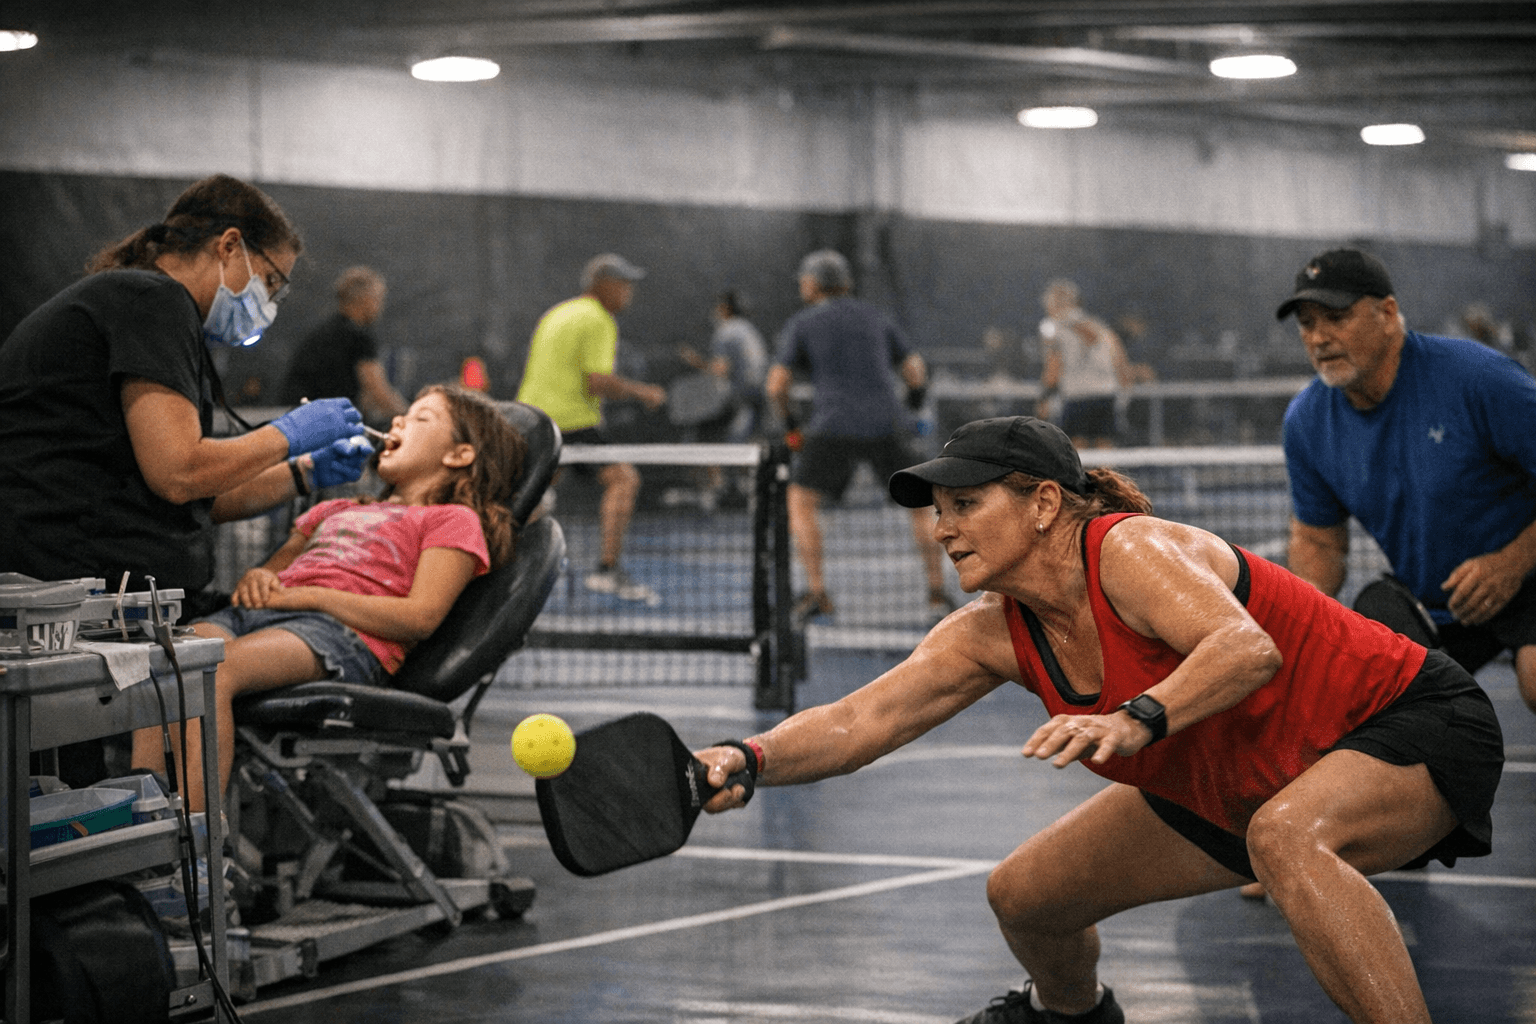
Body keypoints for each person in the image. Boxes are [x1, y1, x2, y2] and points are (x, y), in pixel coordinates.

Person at [694, 415, 1503, 1024]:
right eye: (940, 510)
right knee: (1026, 895)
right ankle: (1072, 1018)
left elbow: (1245, 649)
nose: (944, 529)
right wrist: (748, 756)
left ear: (1045, 502)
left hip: (1407, 721)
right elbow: (856, 722)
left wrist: (1140, 717)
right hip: (1242, 781)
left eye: (967, 504)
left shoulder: (1129, 550)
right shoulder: (989, 631)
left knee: (1286, 836)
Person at [131, 384, 527, 810]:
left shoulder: (452, 519)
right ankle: (141, 825)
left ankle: (194, 854)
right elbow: (271, 573)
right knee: (164, 662)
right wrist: (260, 580)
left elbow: (420, 617)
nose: (397, 422)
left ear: (459, 455)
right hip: (267, 618)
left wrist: (313, 598)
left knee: (210, 672)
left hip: (342, 637)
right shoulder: (333, 510)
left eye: (420, 418)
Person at [0, 173, 370, 614]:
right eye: (270, 282)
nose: (268, 305)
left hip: (93, 582)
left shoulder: (144, 307)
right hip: (78, 592)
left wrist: (303, 472)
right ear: (229, 245)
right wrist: (290, 432)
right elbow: (179, 474)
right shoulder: (152, 301)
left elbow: (199, 495)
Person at [1279, 248, 1536, 716]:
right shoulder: (1306, 422)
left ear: (1388, 314)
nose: (1319, 338)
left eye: (1336, 318)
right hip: (1432, 601)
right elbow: (1318, 540)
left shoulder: (1479, 378)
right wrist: (1303, 626)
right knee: (1358, 710)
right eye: (1307, 323)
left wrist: (1513, 562)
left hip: (1530, 572)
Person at [766, 249, 951, 623]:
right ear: (845, 284)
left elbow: (775, 386)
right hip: (889, 424)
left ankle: (817, 592)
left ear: (814, 284)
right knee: (921, 506)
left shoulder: (802, 322)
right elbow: (915, 369)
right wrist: (913, 404)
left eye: (804, 279)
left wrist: (790, 427)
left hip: (831, 426)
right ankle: (936, 594)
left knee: (800, 502)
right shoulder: (876, 317)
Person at [516, 253, 666, 604]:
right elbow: (597, 382)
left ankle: (503, 568)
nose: (629, 292)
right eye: (623, 284)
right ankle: (607, 570)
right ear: (604, 286)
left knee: (533, 494)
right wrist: (644, 392)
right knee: (624, 479)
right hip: (570, 421)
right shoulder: (599, 320)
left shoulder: (559, 312)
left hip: (532, 418)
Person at [281, 266, 408, 422]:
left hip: (297, 417)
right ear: (365, 299)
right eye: (378, 299)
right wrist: (410, 418)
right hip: (322, 422)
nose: (380, 306)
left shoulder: (325, 333)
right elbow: (378, 390)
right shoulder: (358, 337)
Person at [1036, 280, 1134, 448]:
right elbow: (1120, 359)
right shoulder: (1101, 327)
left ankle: (1080, 475)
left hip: (1077, 397)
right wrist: (1125, 392)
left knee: (1078, 450)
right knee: (1105, 450)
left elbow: (1054, 367)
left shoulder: (1054, 330)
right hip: (1105, 394)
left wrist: (1044, 398)